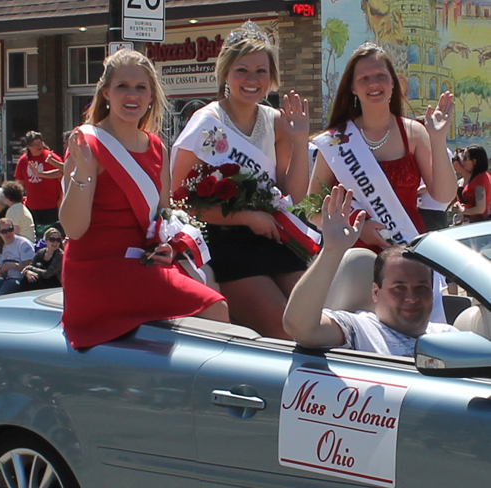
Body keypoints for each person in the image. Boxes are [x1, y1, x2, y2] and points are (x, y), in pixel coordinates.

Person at [60, 48, 228, 350]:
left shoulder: (156, 148)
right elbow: (73, 229)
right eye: (122, 86)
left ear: (151, 96)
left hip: (143, 263)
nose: (132, 95)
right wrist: (83, 173)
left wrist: (167, 245)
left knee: (214, 286)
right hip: (95, 270)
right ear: (106, 93)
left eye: (141, 87)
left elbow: (163, 216)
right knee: (214, 308)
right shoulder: (87, 143)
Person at [171, 20, 310, 339]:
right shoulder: (207, 123)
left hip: (272, 238)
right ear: (226, 74)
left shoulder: (275, 122)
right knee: (287, 330)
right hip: (223, 242)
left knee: (316, 317)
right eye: (242, 70)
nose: (252, 79)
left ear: (272, 77)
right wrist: (246, 216)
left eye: (261, 71)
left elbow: (295, 195)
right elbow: (177, 199)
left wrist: (300, 140)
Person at [310, 42, 456, 253]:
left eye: (381, 75)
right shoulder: (336, 140)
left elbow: (444, 195)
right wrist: (357, 227)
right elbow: (311, 208)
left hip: (404, 252)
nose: (374, 84)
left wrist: (438, 139)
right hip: (350, 255)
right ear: (353, 87)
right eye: (364, 78)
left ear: (393, 83)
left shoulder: (414, 133)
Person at [283, 185, 458, 356]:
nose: (412, 298)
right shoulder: (359, 329)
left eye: (422, 288)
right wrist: (331, 251)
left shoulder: (447, 336)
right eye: (399, 288)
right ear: (376, 291)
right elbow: (300, 327)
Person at [13, 131, 63, 228]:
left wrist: (40, 174)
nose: (38, 146)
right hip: (32, 206)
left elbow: (62, 172)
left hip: (52, 206)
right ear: (28, 146)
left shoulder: (51, 157)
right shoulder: (23, 161)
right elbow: (20, 182)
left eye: (39, 143)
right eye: (34, 145)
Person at [0, 218, 35, 296]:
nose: (8, 233)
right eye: (4, 231)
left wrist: (13, 266)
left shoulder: (23, 244)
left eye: (10, 229)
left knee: (9, 286)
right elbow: (2, 271)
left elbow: (31, 268)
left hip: (20, 280)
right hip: (6, 279)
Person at [453, 144, 491, 223]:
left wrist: (462, 210)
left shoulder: (480, 179)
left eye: (465, 158)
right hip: (472, 222)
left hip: (477, 223)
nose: (463, 161)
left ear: (474, 161)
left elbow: (480, 209)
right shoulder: (475, 176)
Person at [21, 227, 63, 291]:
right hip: (41, 281)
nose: (55, 242)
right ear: (45, 240)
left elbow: (47, 274)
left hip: (54, 284)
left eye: (58, 240)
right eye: (52, 239)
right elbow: (29, 266)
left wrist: (31, 269)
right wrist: (27, 272)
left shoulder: (60, 255)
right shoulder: (41, 252)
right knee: (26, 279)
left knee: (34, 280)